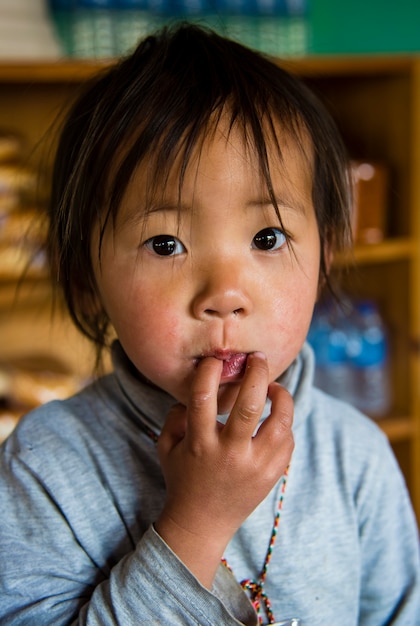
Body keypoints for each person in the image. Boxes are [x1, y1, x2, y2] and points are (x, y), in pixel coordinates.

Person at [0, 23, 418, 626]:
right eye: (165, 243)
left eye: (268, 238)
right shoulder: (43, 469)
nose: (224, 295)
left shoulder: (355, 457)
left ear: (325, 254)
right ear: (85, 276)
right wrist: (197, 524)